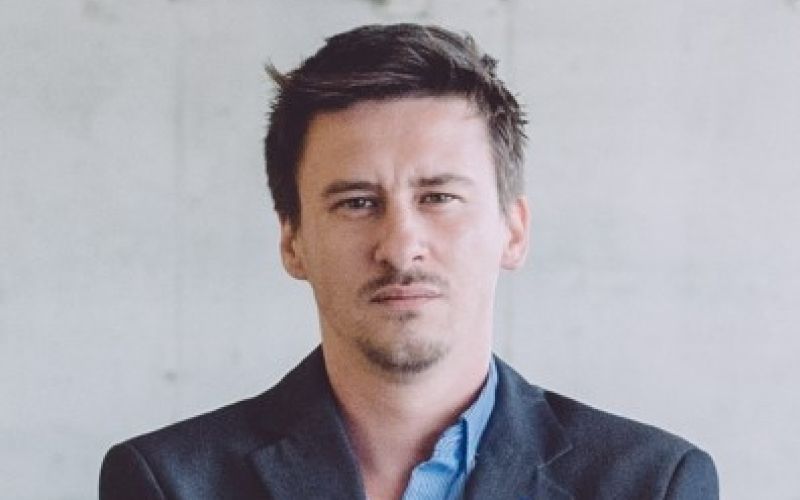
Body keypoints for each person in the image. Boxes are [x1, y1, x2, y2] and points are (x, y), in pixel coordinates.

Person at [99, 23, 718, 500]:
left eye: (439, 197)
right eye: (357, 202)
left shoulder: (652, 483)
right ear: (292, 241)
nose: (399, 246)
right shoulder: (169, 482)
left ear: (513, 230)